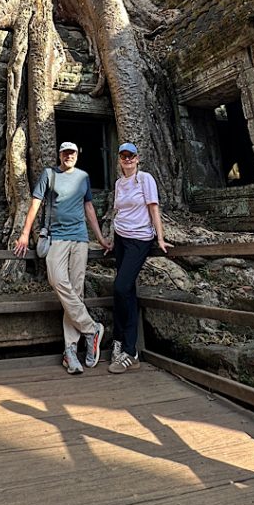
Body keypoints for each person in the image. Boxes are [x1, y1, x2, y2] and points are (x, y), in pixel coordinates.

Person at [14, 142, 111, 374]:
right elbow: (35, 203)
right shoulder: (49, 175)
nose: (69, 156)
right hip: (57, 238)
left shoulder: (83, 177)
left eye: (73, 153)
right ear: (59, 155)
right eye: (65, 152)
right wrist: (25, 234)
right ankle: (91, 329)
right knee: (56, 280)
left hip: (79, 239)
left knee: (76, 293)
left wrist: (100, 238)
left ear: (78, 156)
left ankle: (70, 351)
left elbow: (89, 208)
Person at [108, 142, 168, 374]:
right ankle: (121, 342)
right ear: (119, 159)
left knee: (121, 286)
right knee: (124, 290)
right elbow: (118, 211)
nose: (128, 159)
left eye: (131, 155)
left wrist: (160, 239)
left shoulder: (146, 179)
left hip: (140, 239)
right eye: (123, 155)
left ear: (137, 157)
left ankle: (130, 349)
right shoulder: (118, 183)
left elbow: (154, 209)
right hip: (120, 238)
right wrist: (111, 240)